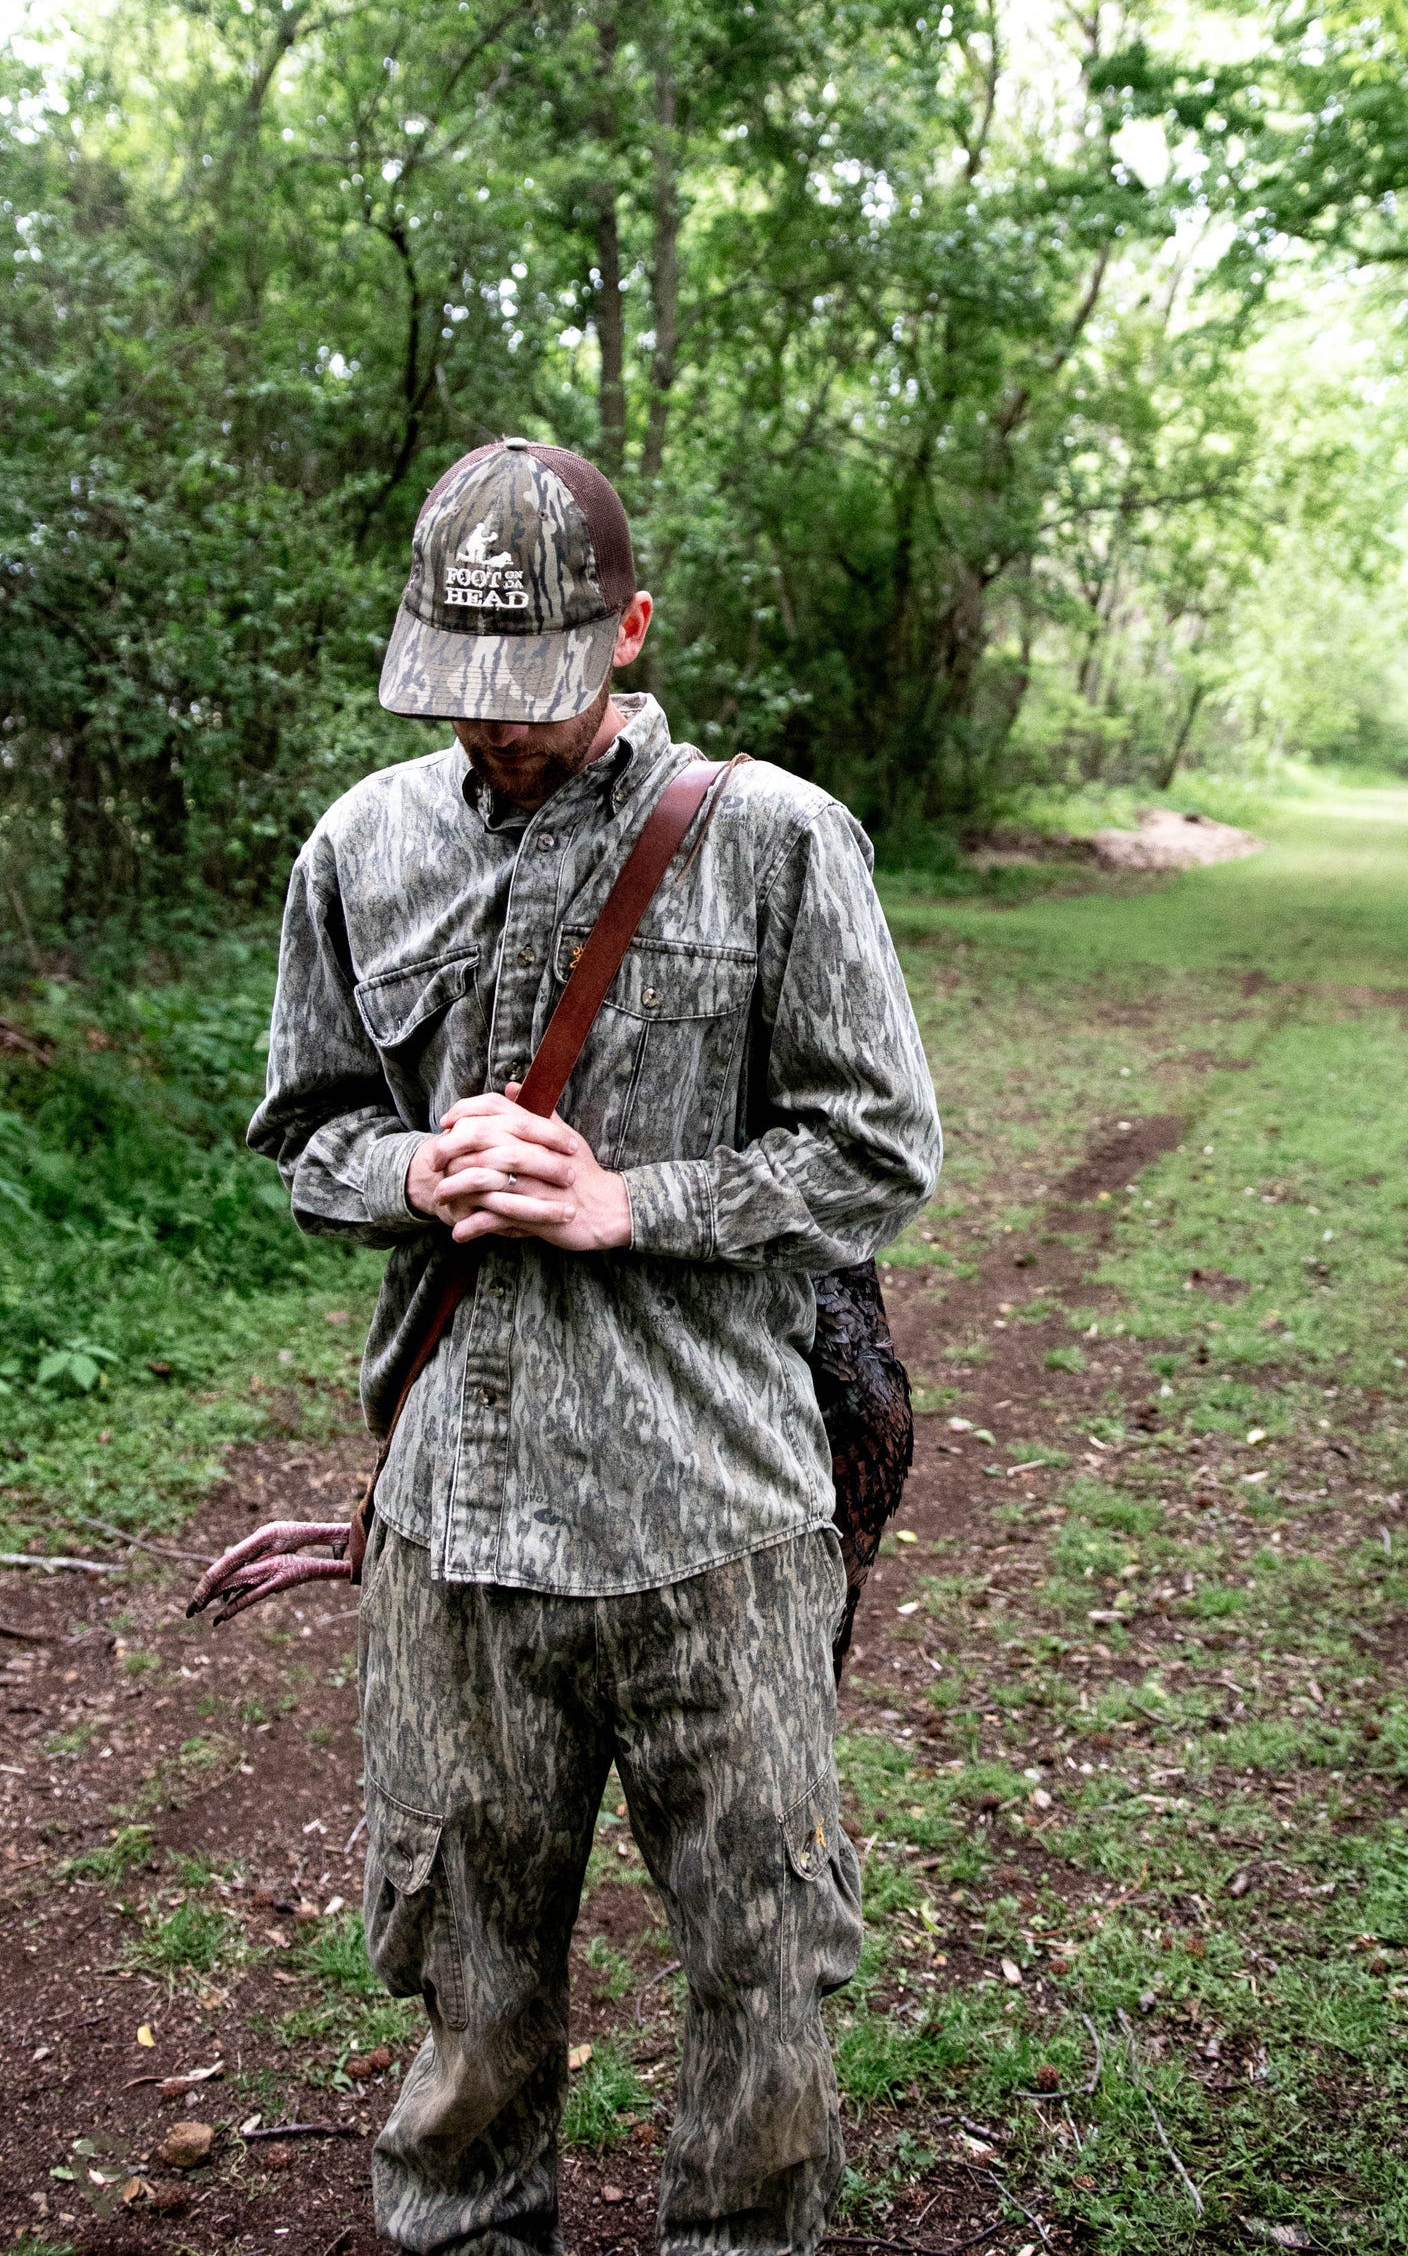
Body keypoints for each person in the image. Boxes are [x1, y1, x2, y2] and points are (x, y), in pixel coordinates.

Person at [247, 436, 942, 2256]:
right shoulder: (361, 847)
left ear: (628, 632)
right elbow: (310, 1138)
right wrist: (420, 1169)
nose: (498, 730)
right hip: (454, 1538)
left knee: (766, 1969)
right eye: (457, 696)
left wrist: (629, 1201)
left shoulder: (780, 841)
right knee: (467, 1989)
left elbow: (880, 1149)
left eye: (536, 692)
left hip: (718, 1517)